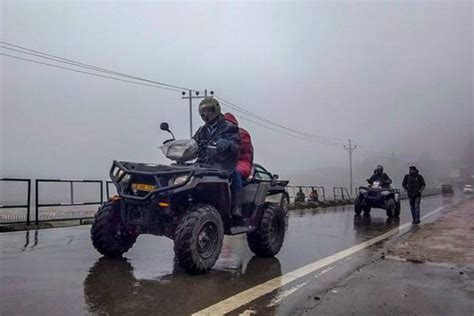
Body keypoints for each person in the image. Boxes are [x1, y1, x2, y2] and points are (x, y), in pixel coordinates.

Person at [193, 97, 242, 220]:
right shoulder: (202, 130)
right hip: (203, 164)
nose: (206, 114)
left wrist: (227, 144)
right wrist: (180, 146)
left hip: (224, 164)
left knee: (235, 175)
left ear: (216, 109)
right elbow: (193, 144)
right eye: (203, 112)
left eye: (209, 110)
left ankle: (236, 206)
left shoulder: (229, 127)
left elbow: (237, 146)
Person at [223, 113, 254, 180]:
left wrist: (229, 145)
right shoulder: (218, 134)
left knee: (234, 172)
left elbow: (239, 146)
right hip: (222, 163)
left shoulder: (242, 133)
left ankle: (237, 190)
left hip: (240, 162)